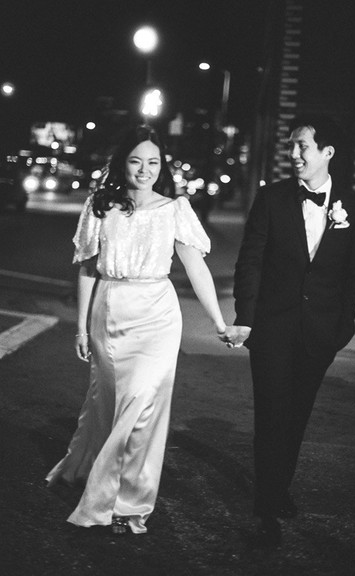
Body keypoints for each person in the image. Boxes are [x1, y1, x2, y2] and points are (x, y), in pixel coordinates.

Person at [46, 124, 227, 535]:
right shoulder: (100, 206)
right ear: (122, 163)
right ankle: (94, 471)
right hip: (110, 312)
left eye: (153, 162)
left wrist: (219, 322)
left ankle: (127, 501)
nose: (145, 170)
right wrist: (80, 328)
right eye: (136, 161)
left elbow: (196, 267)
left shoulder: (175, 209)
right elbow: (88, 269)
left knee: (143, 406)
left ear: (162, 166)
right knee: (110, 404)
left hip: (158, 315)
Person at [224, 114, 355, 545]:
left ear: (328, 152)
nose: (293, 154)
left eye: (302, 146)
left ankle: (277, 487)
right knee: (271, 415)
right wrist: (245, 317)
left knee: (296, 417)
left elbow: (354, 273)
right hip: (271, 328)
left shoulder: (352, 205)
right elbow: (250, 261)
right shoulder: (271, 198)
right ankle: (266, 507)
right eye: (291, 146)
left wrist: (342, 328)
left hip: (320, 334)